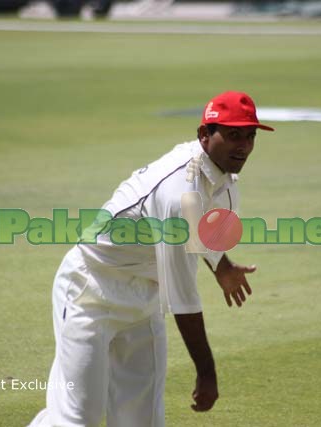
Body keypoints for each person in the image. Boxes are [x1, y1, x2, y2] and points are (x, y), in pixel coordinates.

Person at [29, 91, 274, 427]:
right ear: (205, 134)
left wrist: (223, 265)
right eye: (233, 135)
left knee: (140, 421)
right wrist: (207, 373)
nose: (244, 146)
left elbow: (201, 231)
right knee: (76, 417)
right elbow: (184, 299)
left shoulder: (225, 179)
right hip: (92, 290)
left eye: (250, 136)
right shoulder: (179, 191)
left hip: (146, 296)